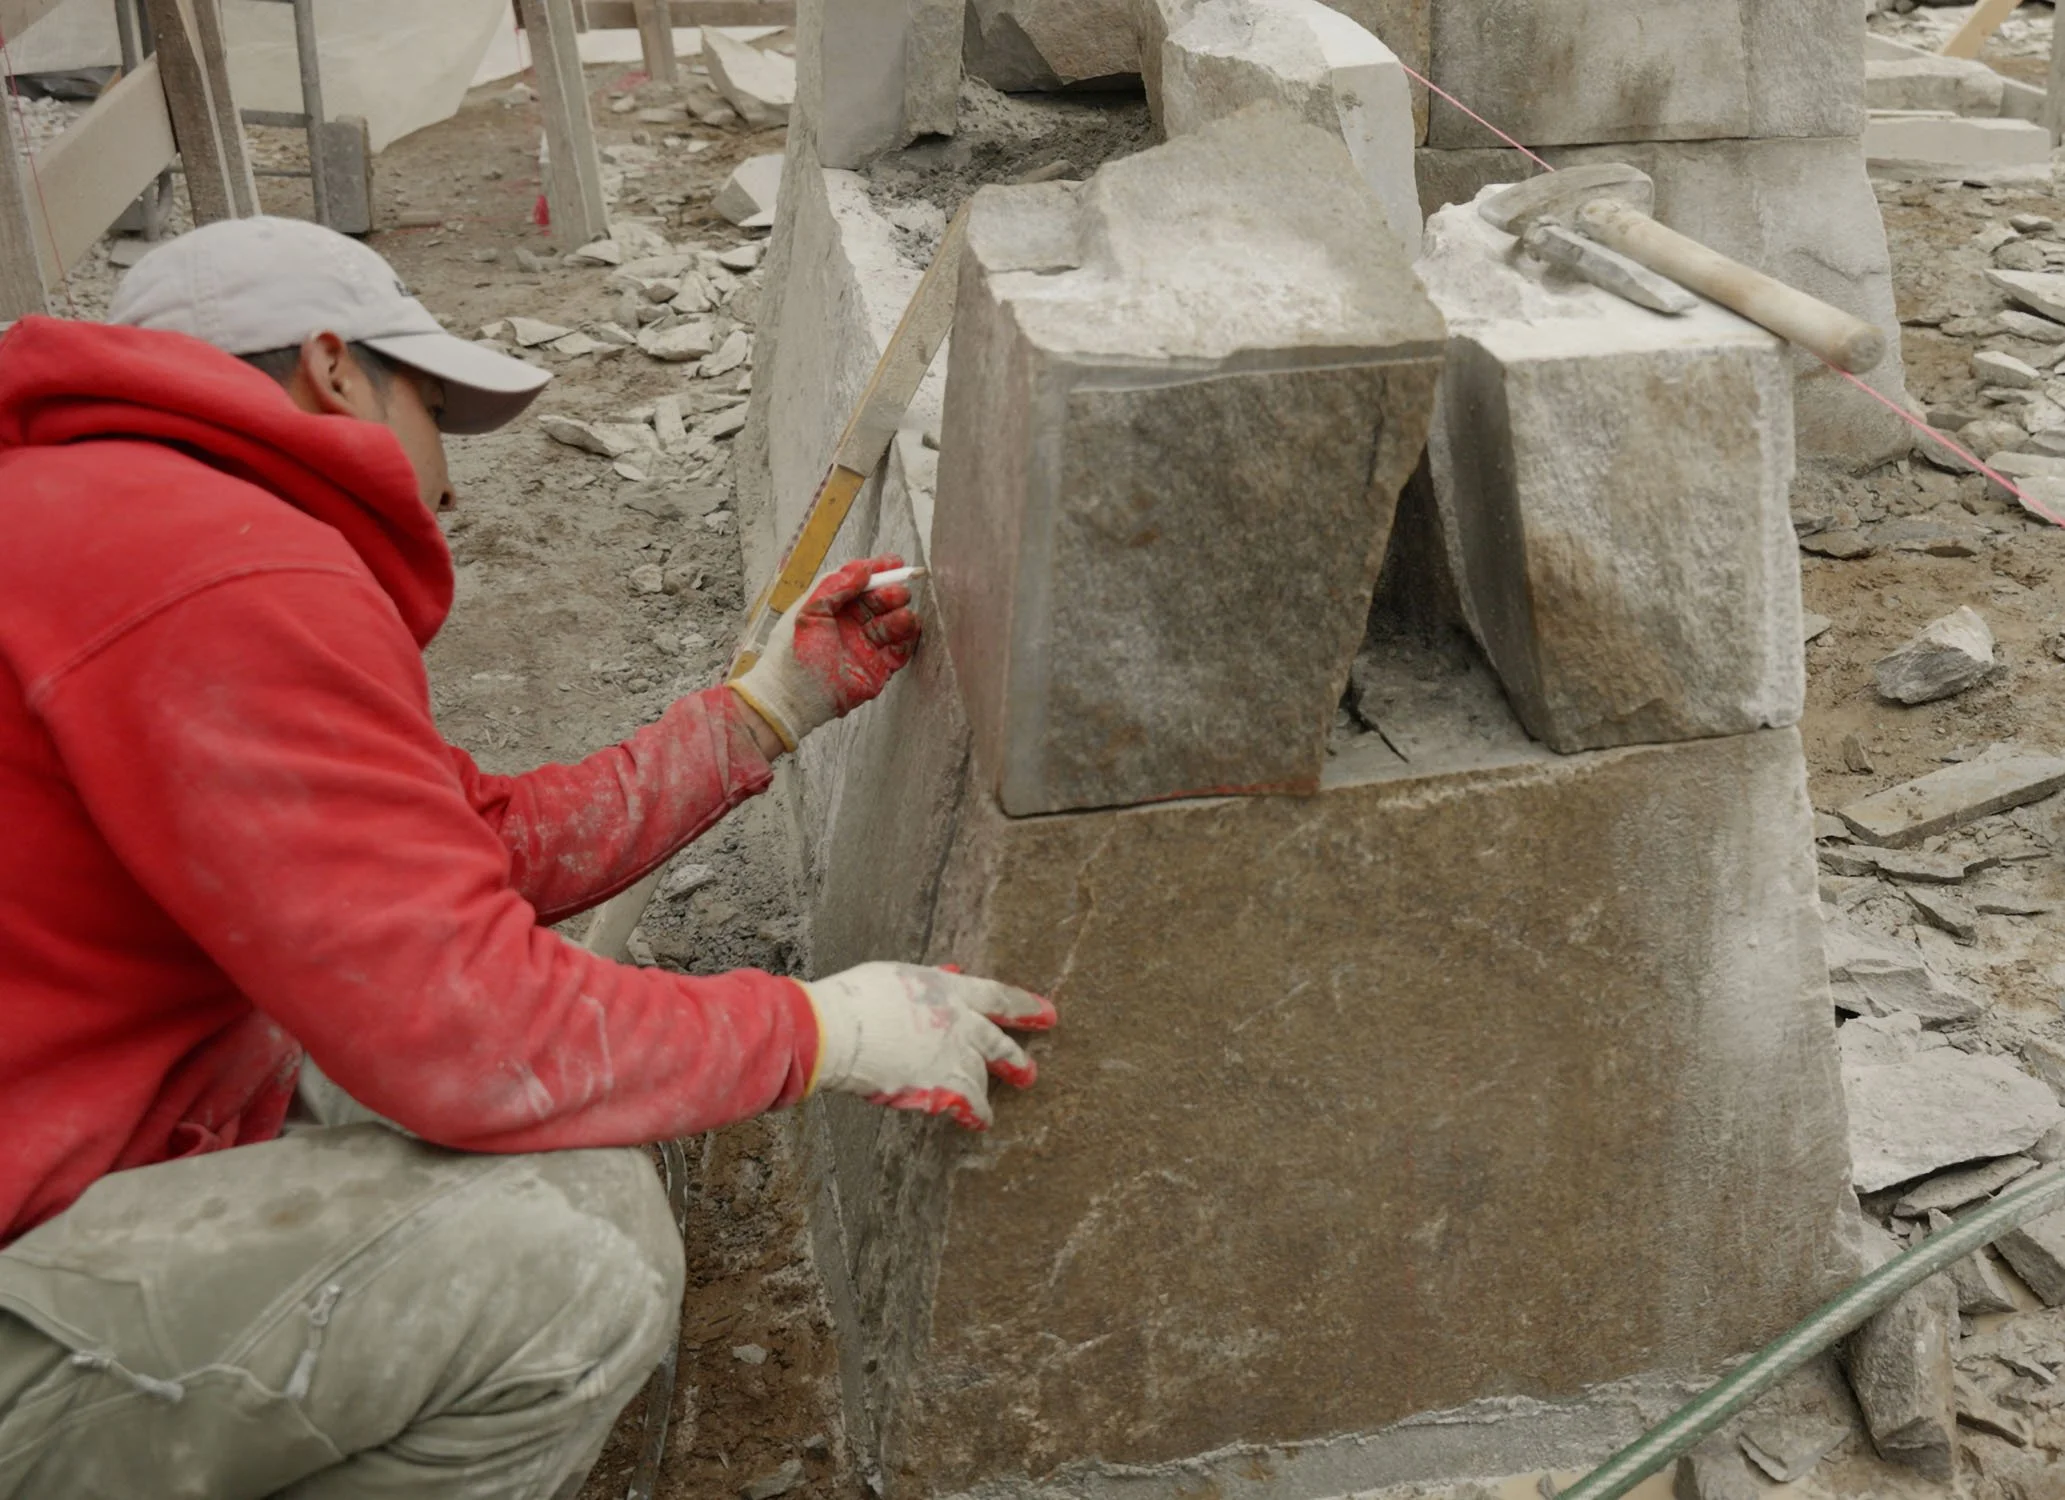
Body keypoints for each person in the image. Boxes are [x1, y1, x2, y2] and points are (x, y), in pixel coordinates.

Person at [0, 217, 1054, 1499]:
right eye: (433, 404)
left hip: (78, 1134)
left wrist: (760, 714)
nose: (446, 476)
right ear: (337, 369)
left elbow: (451, 848)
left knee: (466, 1094)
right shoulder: (212, 563)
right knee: (576, 1257)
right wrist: (822, 1032)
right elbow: (470, 1034)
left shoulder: (93, 527)